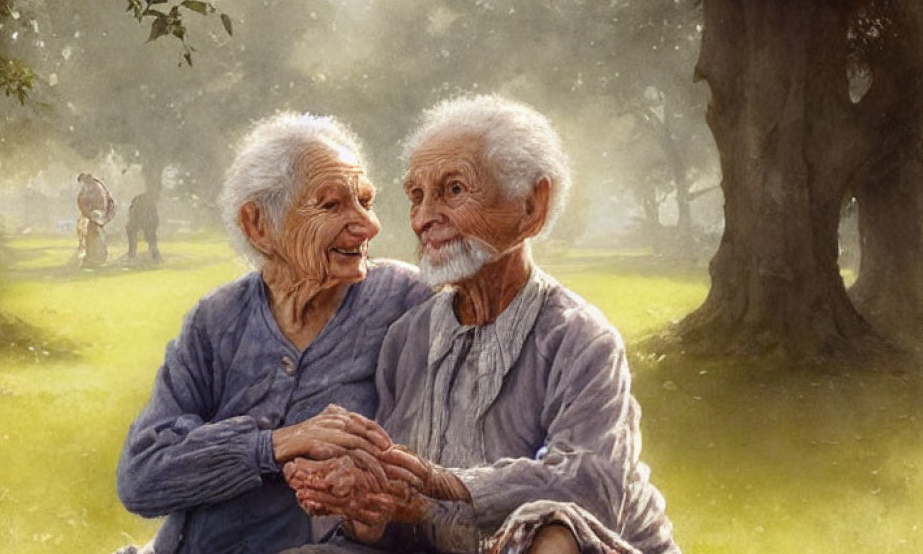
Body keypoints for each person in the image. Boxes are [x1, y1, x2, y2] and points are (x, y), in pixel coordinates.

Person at [283, 96, 680, 554]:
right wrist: (369, 507)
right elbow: (403, 509)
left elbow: (590, 487)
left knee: (551, 538)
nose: (424, 218)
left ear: (531, 206)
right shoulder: (407, 338)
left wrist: (447, 483)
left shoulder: (579, 337)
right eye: (416, 196)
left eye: (453, 190)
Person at [116, 113, 431, 554]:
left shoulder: (404, 300)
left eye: (365, 201)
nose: (368, 225)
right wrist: (274, 445)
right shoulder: (216, 319)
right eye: (331, 205)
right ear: (258, 225)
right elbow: (141, 478)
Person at [77, 172, 116, 267]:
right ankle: (95, 257)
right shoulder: (97, 184)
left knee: (91, 235)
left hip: (97, 213)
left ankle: (93, 257)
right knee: (93, 234)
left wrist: (90, 215)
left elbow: (83, 203)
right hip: (102, 213)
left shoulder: (91, 187)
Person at [126, 191, 161, 262]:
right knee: (149, 238)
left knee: (151, 238)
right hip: (142, 221)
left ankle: (154, 255)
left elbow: (154, 222)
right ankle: (133, 255)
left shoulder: (149, 211)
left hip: (147, 222)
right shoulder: (139, 206)